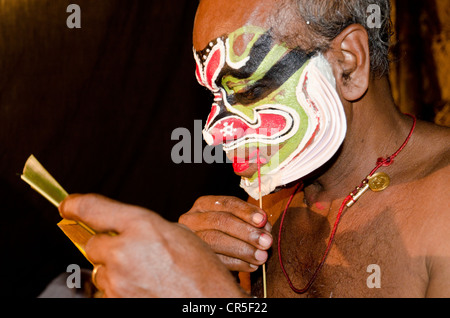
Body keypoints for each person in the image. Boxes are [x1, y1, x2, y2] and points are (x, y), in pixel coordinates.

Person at [59, 0, 450, 298]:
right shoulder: (267, 203)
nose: (211, 134)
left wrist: (208, 294)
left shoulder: (442, 204)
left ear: (346, 65)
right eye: (213, 97)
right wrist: (196, 267)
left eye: (245, 90)